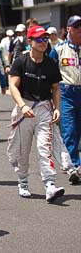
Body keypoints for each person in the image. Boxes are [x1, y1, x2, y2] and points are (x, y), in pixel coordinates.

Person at [7, 25, 65, 202]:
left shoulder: (50, 64)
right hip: (25, 109)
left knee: (44, 148)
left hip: (44, 109)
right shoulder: (21, 61)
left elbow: (56, 88)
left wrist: (57, 108)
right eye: (39, 39)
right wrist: (23, 106)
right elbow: (13, 86)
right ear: (30, 41)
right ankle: (23, 181)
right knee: (22, 151)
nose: (43, 42)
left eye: (45, 39)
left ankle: (50, 185)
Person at [49, 15, 81, 178]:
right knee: (69, 130)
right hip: (66, 94)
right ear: (68, 29)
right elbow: (49, 73)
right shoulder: (58, 50)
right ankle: (74, 166)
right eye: (76, 27)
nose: (79, 30)